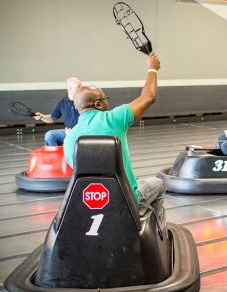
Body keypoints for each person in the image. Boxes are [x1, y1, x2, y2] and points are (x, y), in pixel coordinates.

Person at [64, 52, 163, 205]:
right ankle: (147, 226)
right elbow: (148, 97)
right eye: (105, 99)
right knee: (159, 183)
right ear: (98, 104)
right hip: (125, 199)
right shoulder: (113, 119)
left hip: (92, 201)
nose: (107, 103)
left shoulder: (69, 139)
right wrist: (152, 69)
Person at [34, 77, 82, 146]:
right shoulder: (62, 103)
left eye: (81, 86)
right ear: (69, 88)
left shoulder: (85, 100)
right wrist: (41, 116)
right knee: (50, 135)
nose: (81, 89)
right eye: (78, 87)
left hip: (83, 132)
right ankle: (53, 156)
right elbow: (51, 118)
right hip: (69, 132)